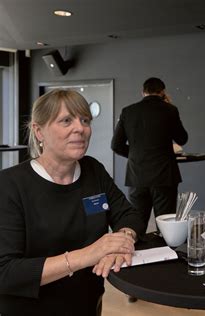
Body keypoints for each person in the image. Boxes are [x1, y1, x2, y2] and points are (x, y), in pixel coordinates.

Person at [0, 89, 145, 315]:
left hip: (89, 303)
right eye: (66, 120)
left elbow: (129, 215)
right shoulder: (10, 184)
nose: (80, 128)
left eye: (85, 120)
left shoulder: (93, 170)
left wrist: (122, 240)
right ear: (39, 131)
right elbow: (6, 272)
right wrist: (88, 254)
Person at [111, 77, 188, 227]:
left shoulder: (128, 111)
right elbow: (182, 138)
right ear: (163, 92)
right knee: (166, 224)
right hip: (164, 175)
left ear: (143, 92)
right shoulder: (170, 110)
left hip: (137, 175)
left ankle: (135, 249)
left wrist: (135, 155)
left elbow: (116, 145)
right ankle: (166, 250)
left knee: (136, 222)